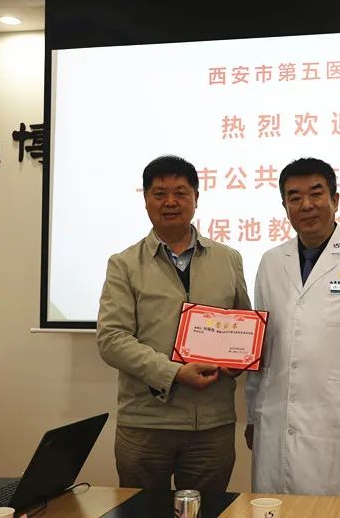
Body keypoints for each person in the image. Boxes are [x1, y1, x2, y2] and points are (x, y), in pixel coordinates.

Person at [245, 157, 340, 498]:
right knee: (275, 507)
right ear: (285, 207)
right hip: (275, 420)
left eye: (316, 194)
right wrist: (254, 415)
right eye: (294, 197)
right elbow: (263, 347)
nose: (306, 205)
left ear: (335, 200)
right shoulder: (271, 262)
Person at [97, 155, 251, 492]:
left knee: (206, 512)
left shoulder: (229, 259)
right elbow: (112, 339)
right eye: (159, 193)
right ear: (145, 200)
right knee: (140, 513)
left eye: (181, 192)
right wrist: (174, 373)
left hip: (211, 425)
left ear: (196, 197)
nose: (170, 202)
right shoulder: (124, 264)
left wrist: (239, 359)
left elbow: (243, 326)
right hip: (146, 422)